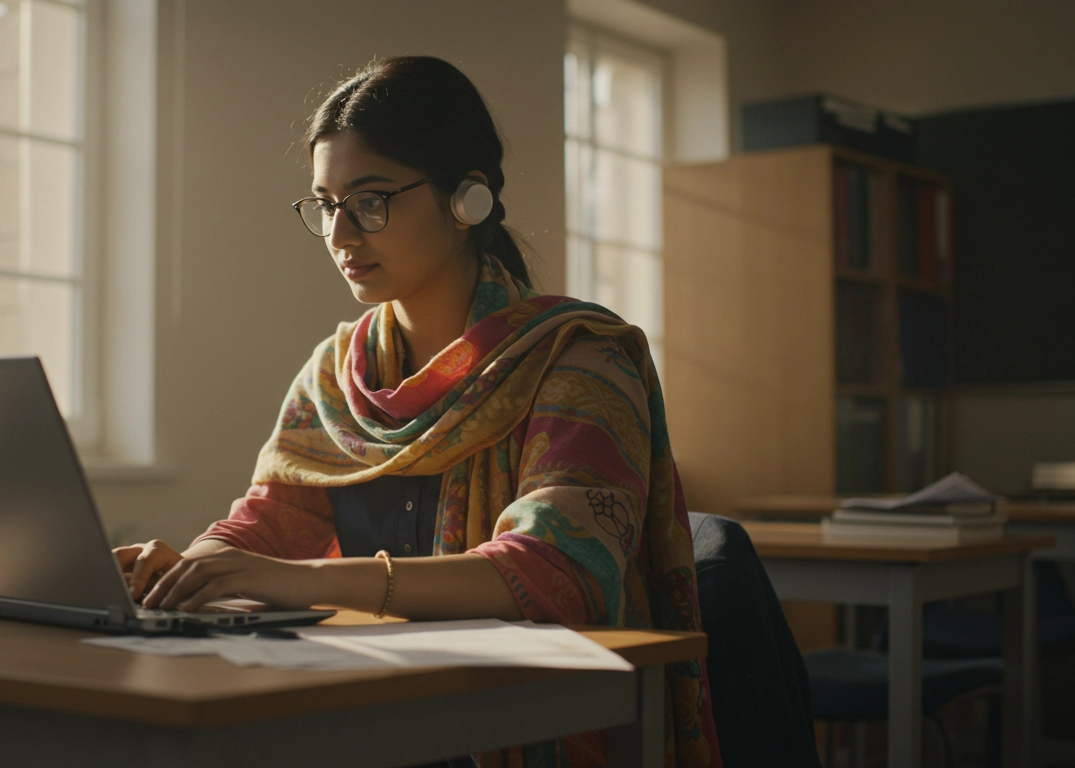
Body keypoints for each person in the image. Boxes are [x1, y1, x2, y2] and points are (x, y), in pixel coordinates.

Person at [114, 55, 720, 767]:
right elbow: (263, 530)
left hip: (527, 723)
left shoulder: (578, 359)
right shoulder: (335, 377)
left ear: (468, 198)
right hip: (382, 714)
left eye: (370, 201)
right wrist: (190, 570)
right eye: (326, 204)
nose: (341, 235)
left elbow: (552, 574)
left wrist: (287, 579)